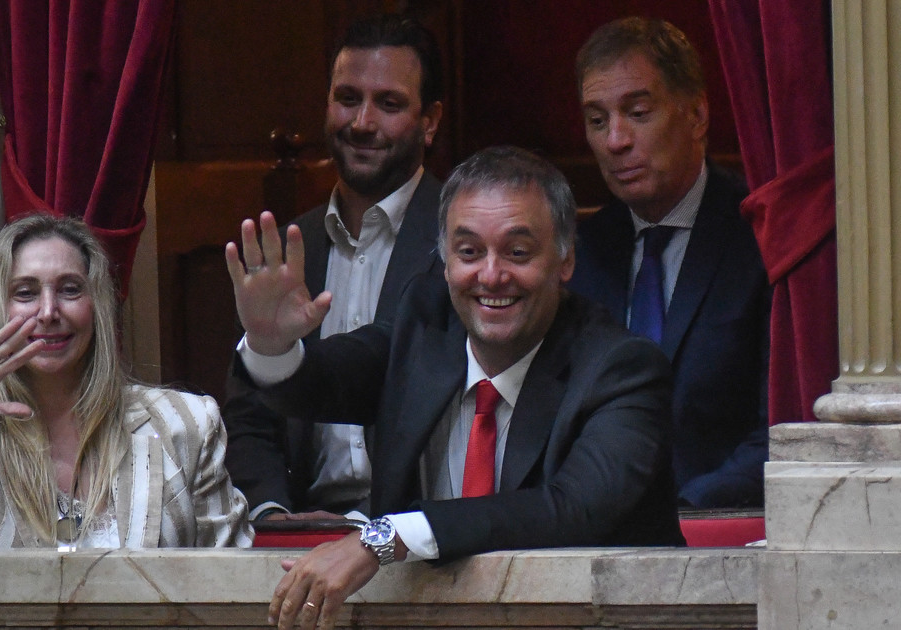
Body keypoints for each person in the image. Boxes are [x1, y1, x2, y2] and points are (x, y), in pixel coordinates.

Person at [225, 146, 683, 630]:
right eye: (469, 252)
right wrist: (271, 343)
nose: (491, 275)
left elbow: (572, 509)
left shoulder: (622, 369)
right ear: (444, 263)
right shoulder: (425, 325)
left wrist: (386, 538)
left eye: (518, 252)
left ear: (565, 259)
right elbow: (320, 382)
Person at [0, 214, 253, 549]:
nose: (48, 311)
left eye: (70, 289)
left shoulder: (185, 422)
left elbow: (229, 571)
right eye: (25, 293)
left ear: (97, 305)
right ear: (0, 307)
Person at [222, 13, 444, 521]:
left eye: (389, 104)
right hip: (297, 535)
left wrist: (371, 527)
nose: (362, 123)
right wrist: (272, 515)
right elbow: (250, 413)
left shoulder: (465, 245)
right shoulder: (286, 250)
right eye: (347, 98)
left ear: (430, 121)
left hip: (416, 536)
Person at [569, 17, 769, 508]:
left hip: (724, 526)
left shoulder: (761, 238)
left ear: (697, 114)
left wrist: (681, 519)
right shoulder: (579, 254)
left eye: (637, 113)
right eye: (597, 120)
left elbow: (783, 428)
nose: (615, 140)